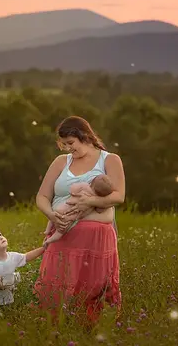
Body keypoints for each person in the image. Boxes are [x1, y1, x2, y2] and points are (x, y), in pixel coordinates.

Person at [33, 116, 125, 326]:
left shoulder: (109, 160)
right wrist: (52, 215)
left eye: (70, 143)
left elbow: (119, 196)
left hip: (96, 239)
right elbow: (42, 197)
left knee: (93, 289)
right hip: (63, 234)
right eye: (64, 144)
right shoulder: (61, 162)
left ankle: (93, 331)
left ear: (84, 136)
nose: (67, 148)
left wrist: (89, 202)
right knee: (56, 289)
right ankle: (55, 330)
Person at [0, 228, 45, 311]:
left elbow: (27, 256)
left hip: (6, 301)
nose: (1, 237)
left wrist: (44, 248)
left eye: (0, 235)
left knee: (5, 320)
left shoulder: (12, 257)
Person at [43, 174, 114, 248]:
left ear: (92, 182)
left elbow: (72, 189)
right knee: (59, 233)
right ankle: (50, 240)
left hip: (62, 208)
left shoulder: (84, 186)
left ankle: (47, 230)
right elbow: (99, 210)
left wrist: (74, 192)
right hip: (69, 218)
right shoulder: (96, 199)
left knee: (52, 217)